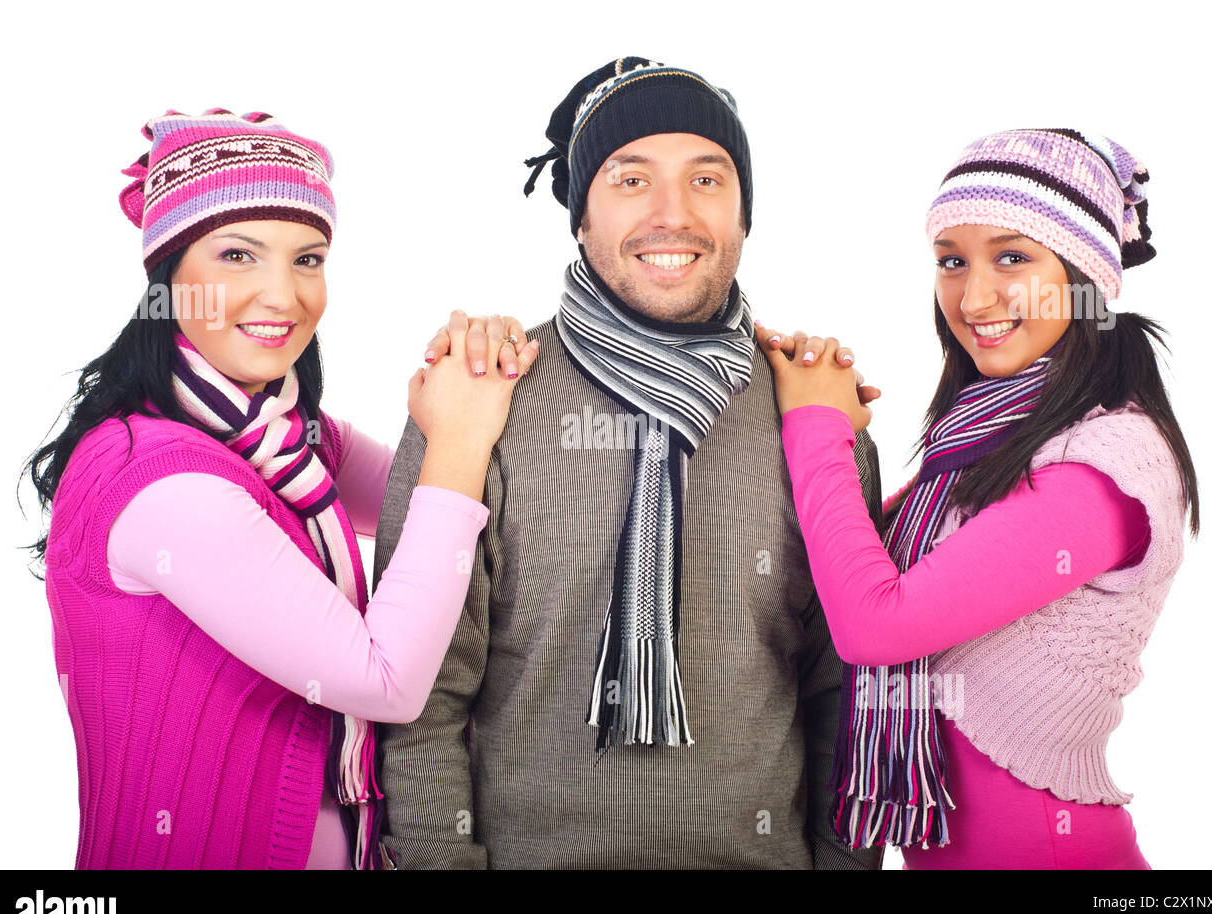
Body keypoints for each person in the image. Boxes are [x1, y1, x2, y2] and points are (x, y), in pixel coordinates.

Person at [373, 57, 883, 869]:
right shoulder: (477, 404)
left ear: (746, 214)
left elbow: (848, 695)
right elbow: (419, 702)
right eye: (631, 178)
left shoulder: (817, 415)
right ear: (580, 216)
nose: (671, 215)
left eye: (708, 180)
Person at [23, 109, 531, 869]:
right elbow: (384, 680)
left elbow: (446, 499)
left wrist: (479, 369)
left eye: (308, 259)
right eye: (237, 254)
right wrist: (457, 436)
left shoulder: (284, 434)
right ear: (169, 276)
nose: (283, 296)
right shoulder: (157, 481)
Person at [757, 128, 1198, 868]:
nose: (975, 295)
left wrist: (817, 428)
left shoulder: (1108, 463)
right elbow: (868, 567)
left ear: (1084, 275)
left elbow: (875, 623)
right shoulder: (987, 437)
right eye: (952, 261)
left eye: (1013, 257)